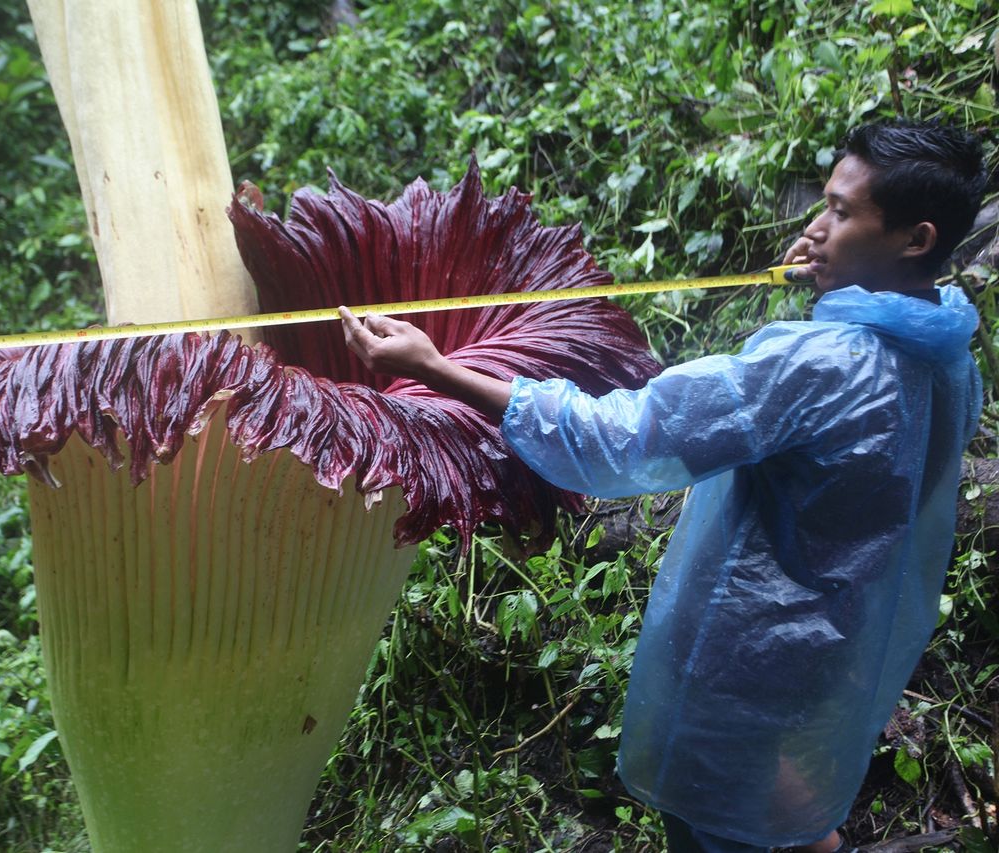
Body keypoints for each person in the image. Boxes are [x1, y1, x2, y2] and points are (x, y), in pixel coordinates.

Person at [339, 120, 985, 853]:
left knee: (712, 817)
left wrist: (435, 367)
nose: (815, 226)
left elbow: (625, 439)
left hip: (748, 648)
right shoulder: (947, 352)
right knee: (768, 793)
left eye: (840, 211)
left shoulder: (823, 364)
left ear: (915, 239)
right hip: (833, 638)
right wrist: (842, 282)